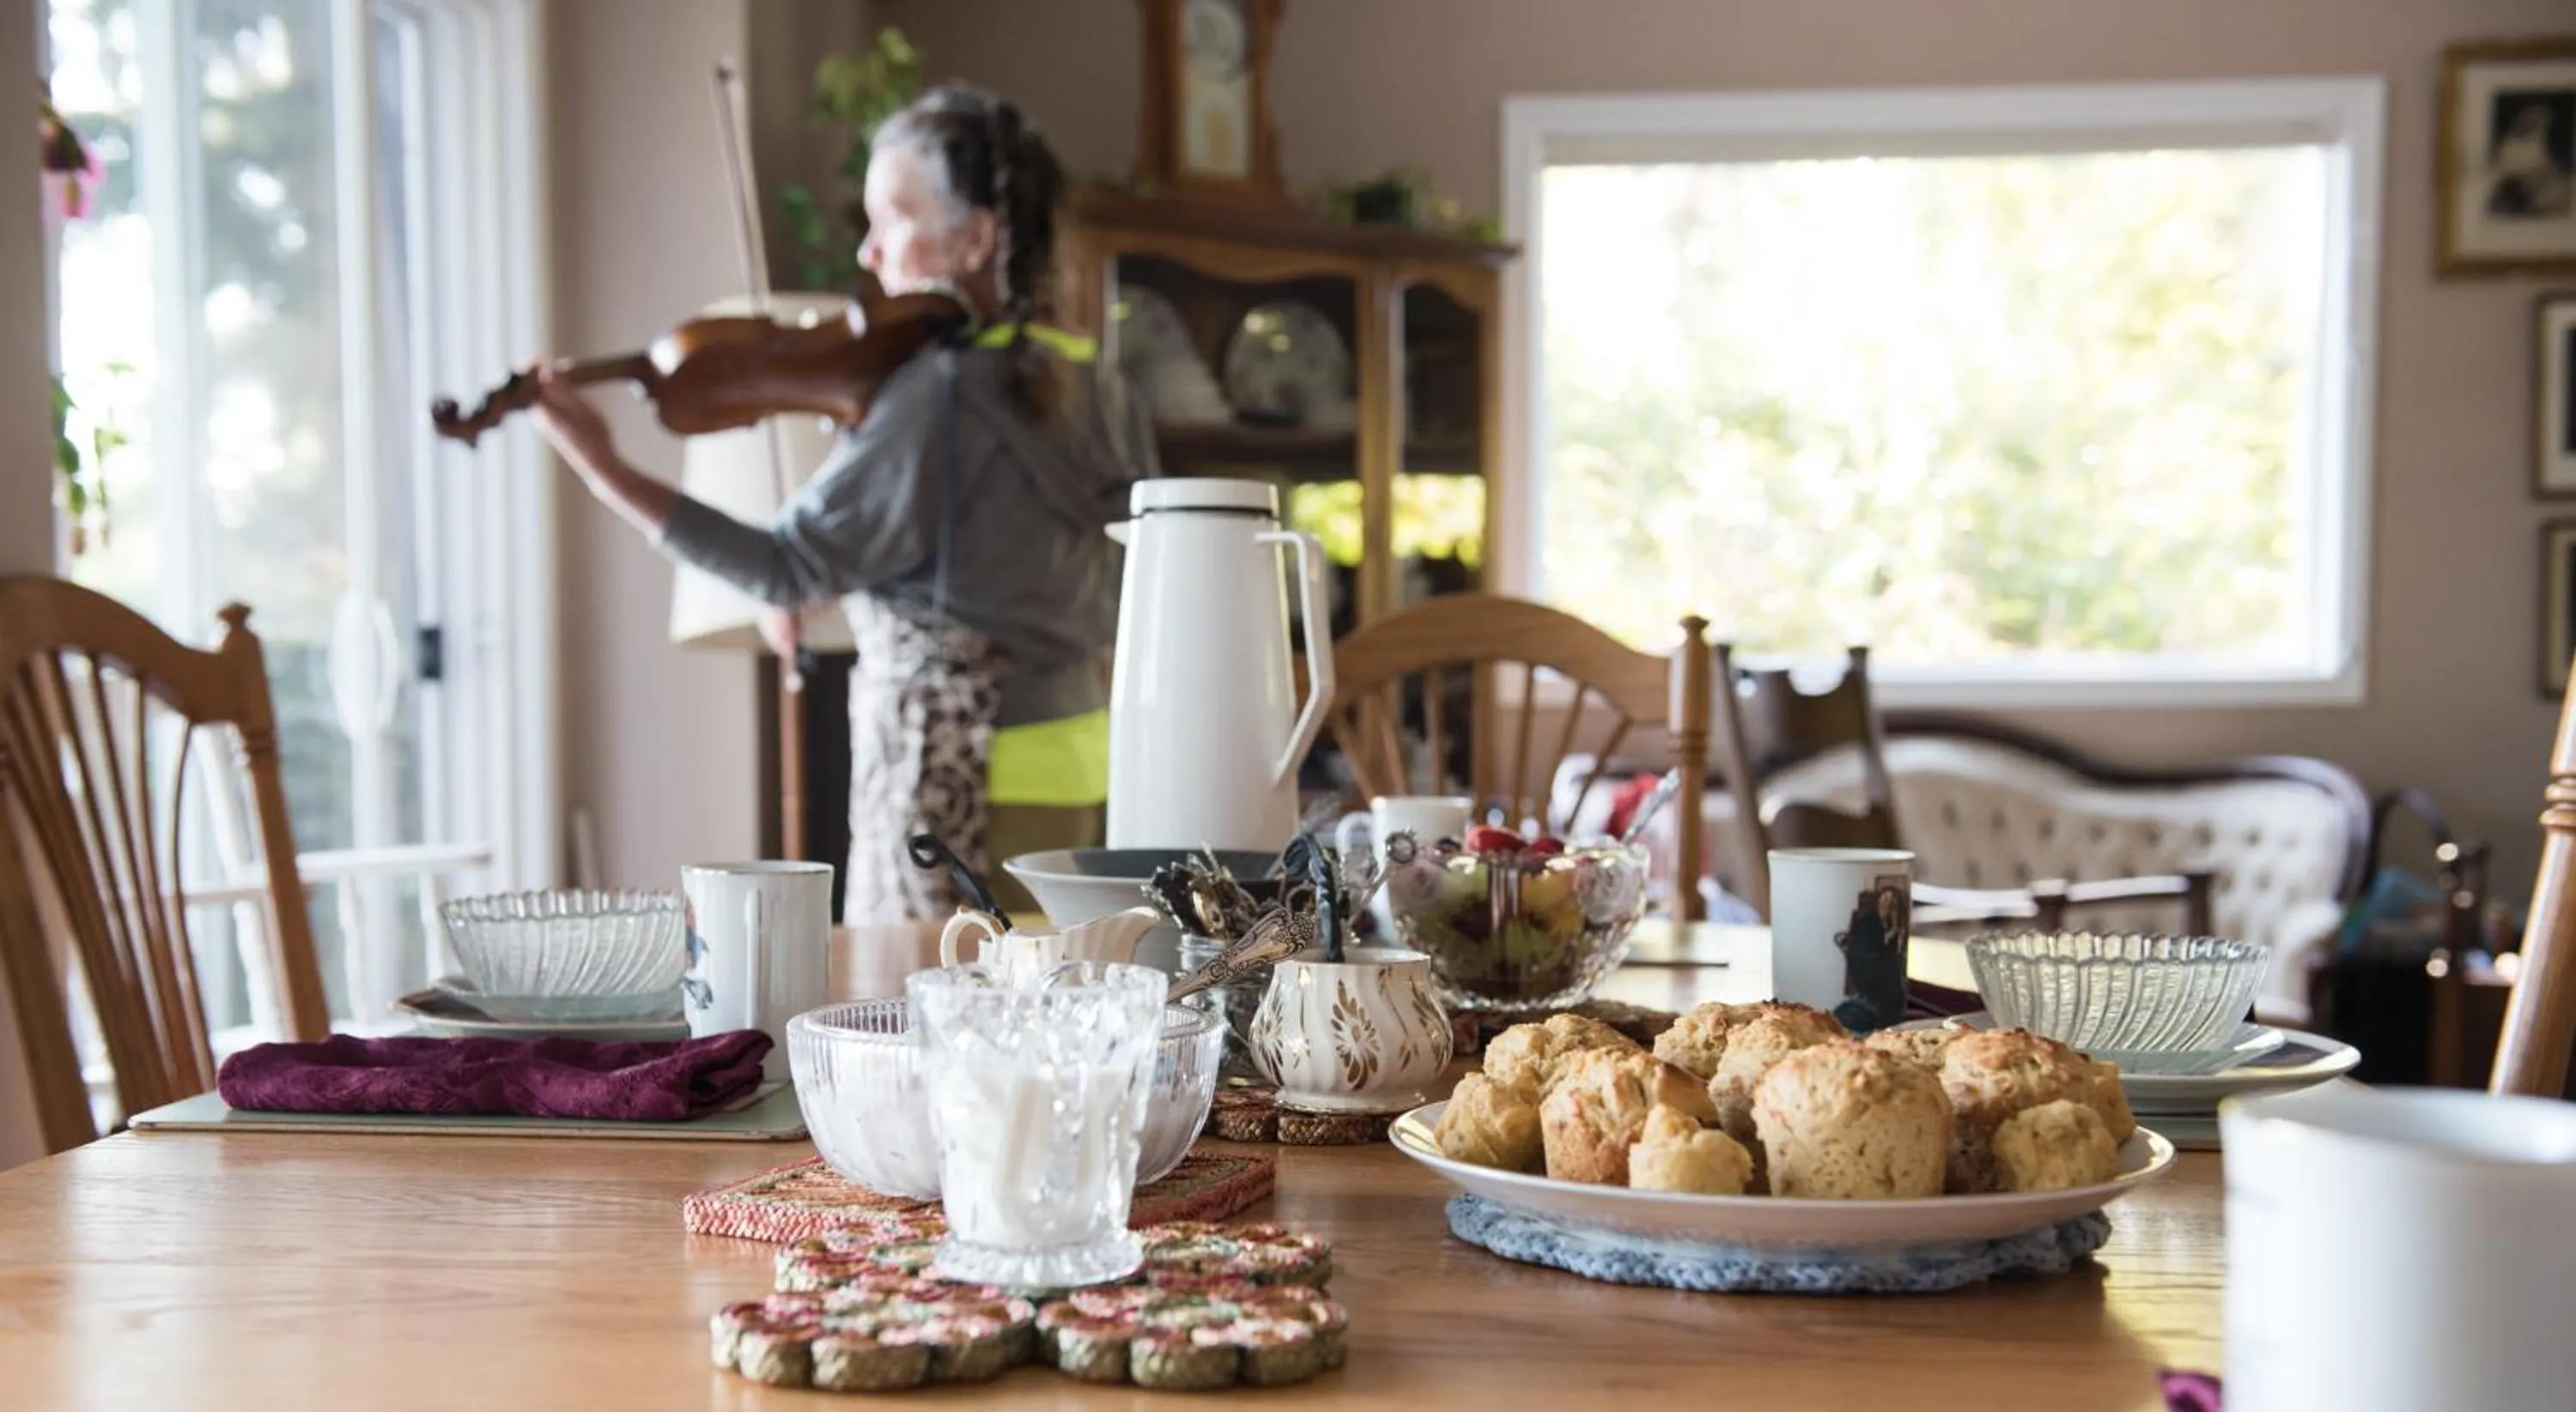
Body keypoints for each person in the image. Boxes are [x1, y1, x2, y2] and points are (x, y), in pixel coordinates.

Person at [526, 85, 1158, 922]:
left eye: (890, 219)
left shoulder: (933, 392)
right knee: (1052, 1011)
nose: (868, 254)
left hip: (955, 773)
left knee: (935, 1019)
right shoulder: (1097, 379)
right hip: (1082, 762)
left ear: (976, 239)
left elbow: (783, 567)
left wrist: (603, 466)